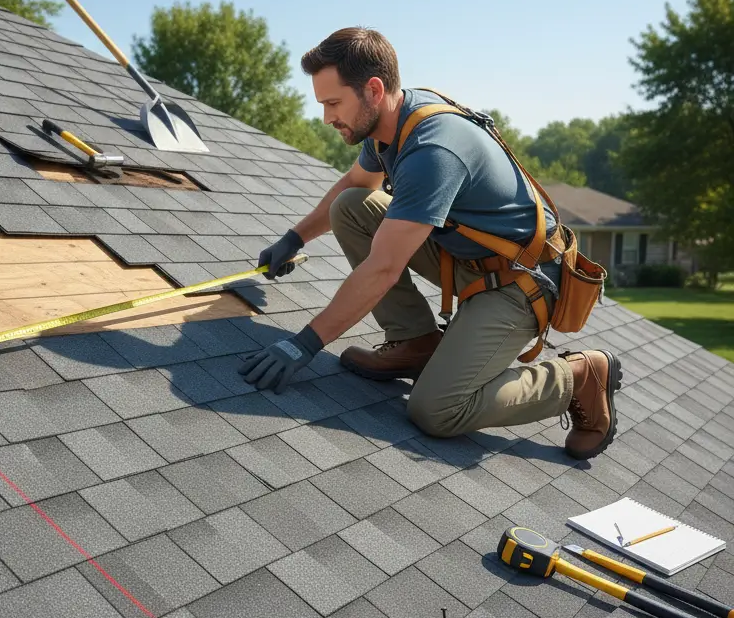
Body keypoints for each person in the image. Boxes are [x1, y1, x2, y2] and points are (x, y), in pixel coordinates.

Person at [238, 27, 621, 460]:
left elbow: (383, 269)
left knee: (437, 410)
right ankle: (416, 342)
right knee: (352, 205)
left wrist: (303, 343)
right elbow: (358, 184)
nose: (327, 118)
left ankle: (578, 378)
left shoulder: (433, 149)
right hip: (470, 260)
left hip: (520, 283)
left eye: (332, 103)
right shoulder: (389, 125)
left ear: (374, 90)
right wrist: (294, 237)